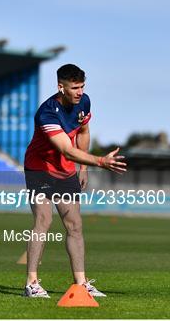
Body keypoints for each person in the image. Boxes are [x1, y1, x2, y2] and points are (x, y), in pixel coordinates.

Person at [23, 63, 126, 298]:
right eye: (75, 87)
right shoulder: (47, 113)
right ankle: (32, 283)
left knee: (74, 225)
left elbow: (83, 132)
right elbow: (67, 150)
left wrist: (83, 168)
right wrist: (99, 162)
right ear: (61, 87)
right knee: (43, 220)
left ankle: (81, 283)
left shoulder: (85, 101)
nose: (80, 92)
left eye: (82, 86)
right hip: (40, 169)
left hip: (66, 170)